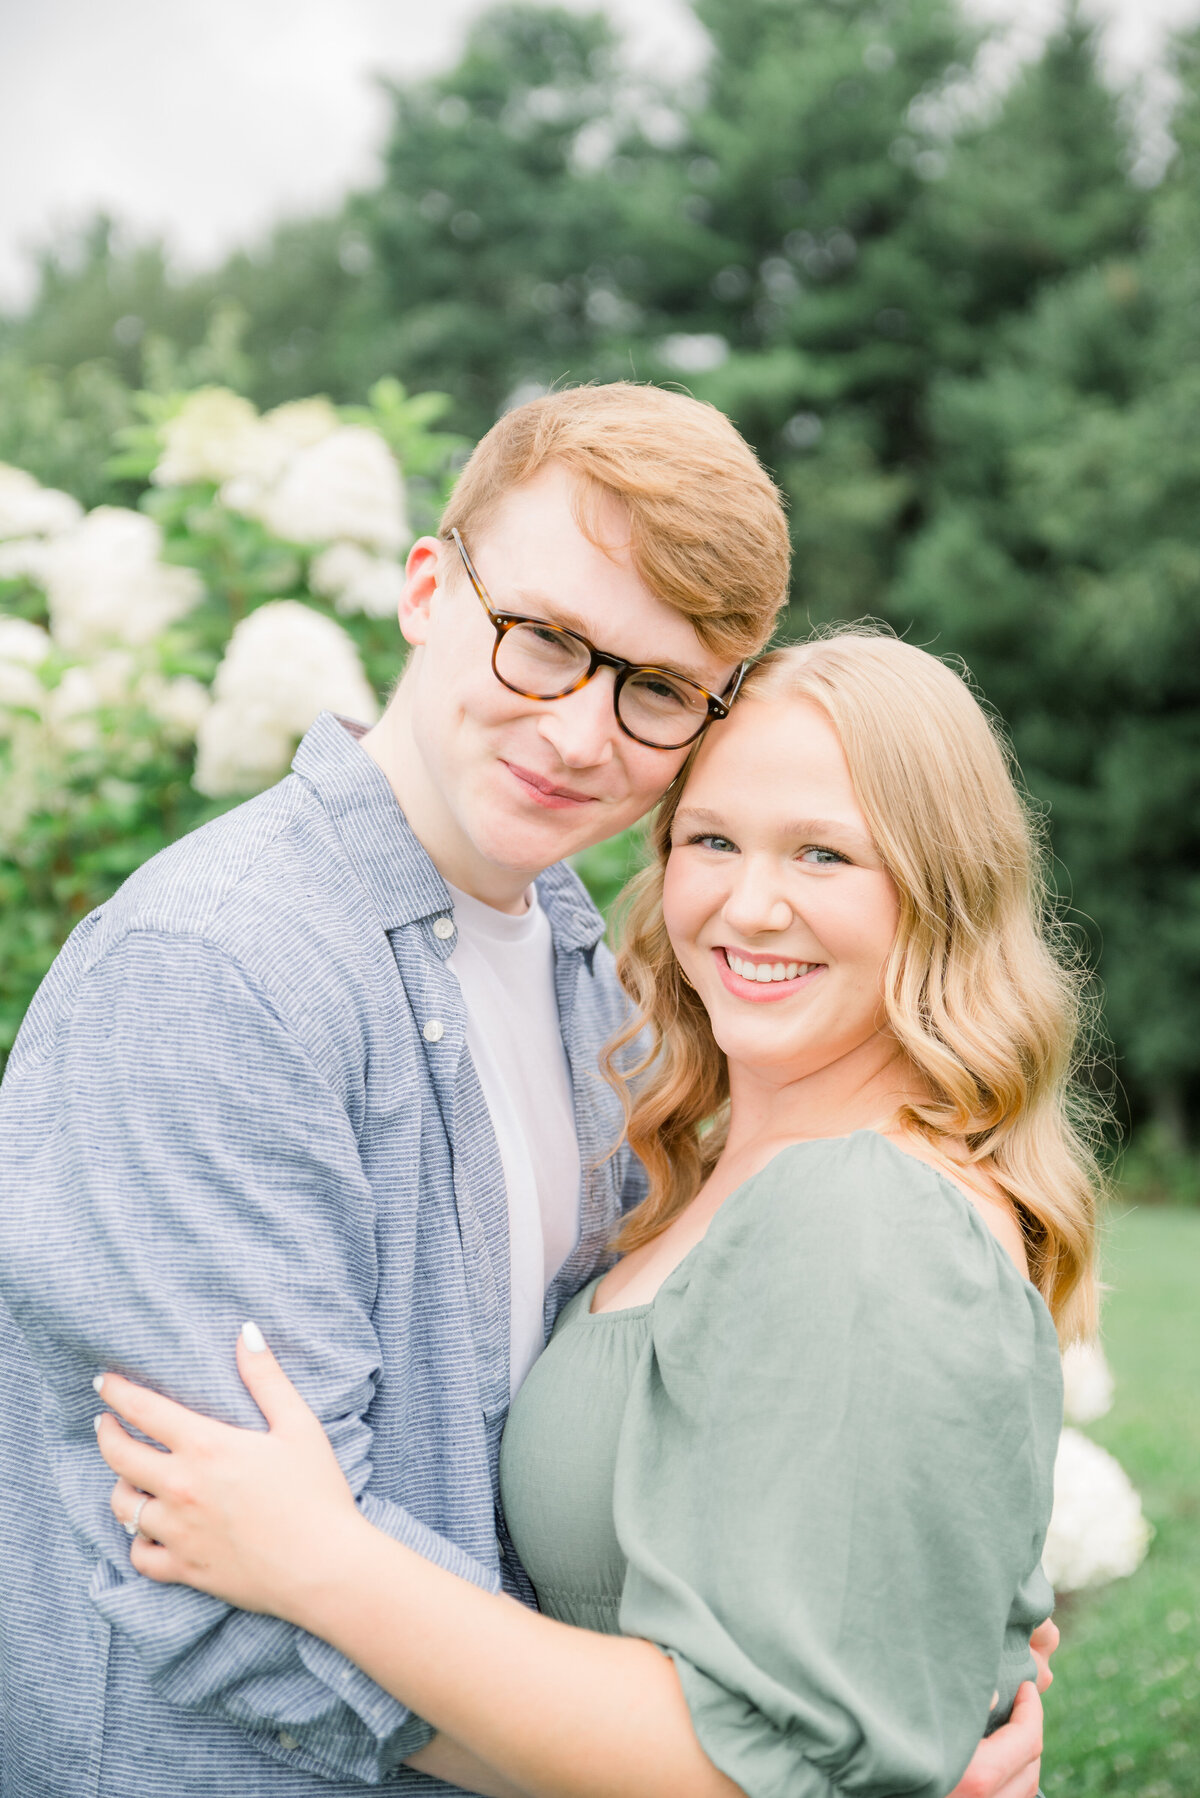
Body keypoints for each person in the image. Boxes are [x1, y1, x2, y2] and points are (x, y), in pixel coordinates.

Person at [92, 631, 1097, 1798]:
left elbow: (746, 1773)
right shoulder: (708, 1174)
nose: (750, 903)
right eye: (712, 839)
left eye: (824, 854)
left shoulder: (864, 1214)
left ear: (940, 889)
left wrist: (322, 1563)